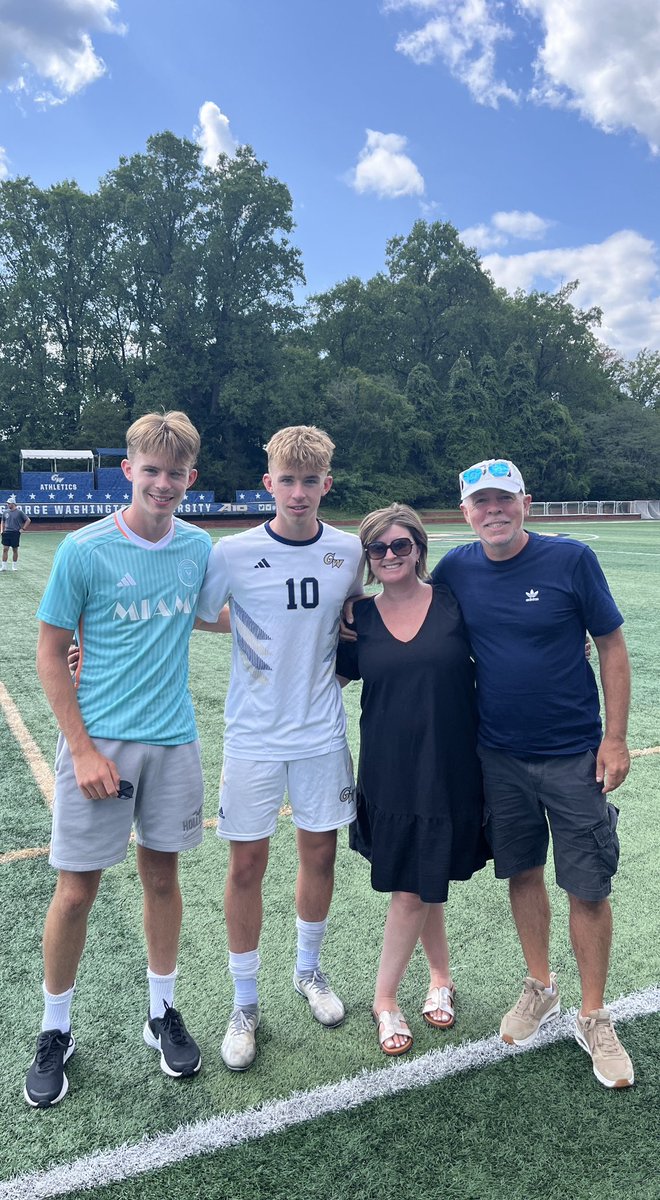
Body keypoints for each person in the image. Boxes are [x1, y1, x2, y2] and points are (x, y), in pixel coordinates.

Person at [25, 412, 212, 1108]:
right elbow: (48, 654)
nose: (163, 483)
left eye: (176, 473)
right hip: (98, 746)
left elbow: (221, 611)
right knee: (76, 891)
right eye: (151, 469)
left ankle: (161, 1011)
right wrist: (80, 750)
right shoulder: (84, 548)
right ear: (129, 470)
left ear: (190, 479)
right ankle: (55, 1030)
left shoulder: (197, 549)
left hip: (174, 742)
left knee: (161, 880)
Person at [432, 458, 633, 1089]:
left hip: (575, 754)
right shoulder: (457, 568)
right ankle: (540, 986)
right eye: (480, 502)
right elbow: (410, 605)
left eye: (504, 499)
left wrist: (616, 738)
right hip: (499, 757)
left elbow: (612, 645)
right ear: (465, 512)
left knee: (588, 885)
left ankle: (594, 1014)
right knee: (522, 870)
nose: (492, 511)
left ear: (526, 503)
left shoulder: (570, 560)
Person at [195, 425, 363, 1072]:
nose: (298, 492)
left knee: (320, 853)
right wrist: (247, 623)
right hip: (254, 734)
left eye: (310, 480)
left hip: (321, 729)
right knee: (245, 867)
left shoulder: (348, 551)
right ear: (268, 483)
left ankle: (308, 970)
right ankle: (245, 1001)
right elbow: (201, 611)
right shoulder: (232, 553)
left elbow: (351, 622)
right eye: (287, 480)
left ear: (327, 484)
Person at [336, 505, 487, 1056]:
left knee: (425, 879)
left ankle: (422, 985)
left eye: (401, 545)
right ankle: (395, 996)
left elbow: (507, 645)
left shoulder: (453, 603)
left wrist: (572, 642)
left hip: (451, 766)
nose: (391, 556)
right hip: (390, 771)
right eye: (379, 549)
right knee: (414, 885)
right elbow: (308, 668)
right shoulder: (357, 619)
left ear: (419, 548)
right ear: (368, 559)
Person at [1, 496, 30, 571]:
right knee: (5, 549)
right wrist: (1, 530)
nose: (8, 505)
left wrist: (23, 529)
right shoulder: (5, 512)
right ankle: (3, 566)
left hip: (15, 533)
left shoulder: (19, 512)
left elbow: (28, 520)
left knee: (15, 549)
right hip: (6, 532)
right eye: (7, 503)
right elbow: (2, 521)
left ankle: (14, 566)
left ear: (13, 504)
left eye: (9, 503)